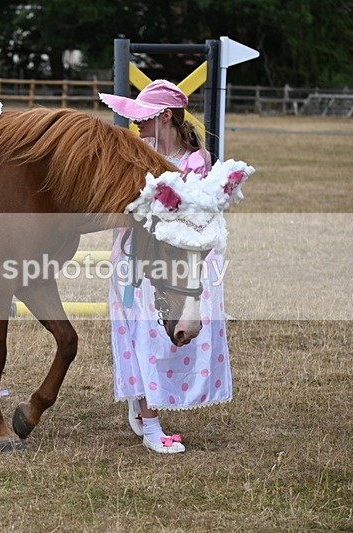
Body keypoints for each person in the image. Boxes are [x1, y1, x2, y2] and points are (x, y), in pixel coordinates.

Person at [98, 80, 232, 454]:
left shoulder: (195, 161)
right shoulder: (136, 151)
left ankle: (146, 405)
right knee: (141, 333)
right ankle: (149, 419)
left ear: (166, 116)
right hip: (135, 253)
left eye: (145, 117)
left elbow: (191, 213)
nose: (137, 124)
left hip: (175, 259)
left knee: (167, 334)